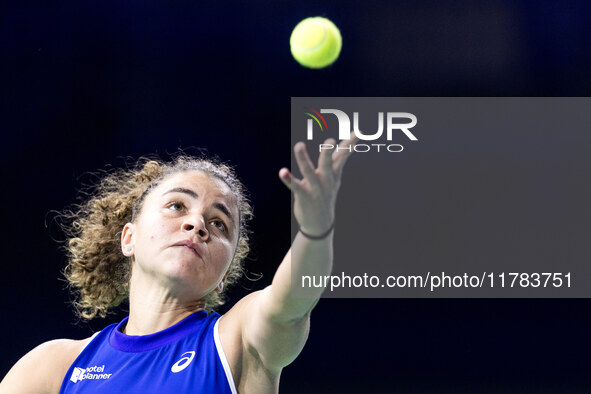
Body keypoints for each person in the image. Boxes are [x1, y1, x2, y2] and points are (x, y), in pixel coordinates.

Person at [0, 136, 355, 394]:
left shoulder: (237, 342)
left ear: (224, 276)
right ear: (129, 238)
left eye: (219, 224)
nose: (197, 223)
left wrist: (315, 230)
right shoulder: (53, 368)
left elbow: (292, 302)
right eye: (177, 206)